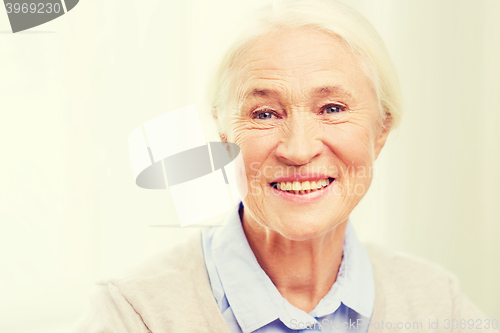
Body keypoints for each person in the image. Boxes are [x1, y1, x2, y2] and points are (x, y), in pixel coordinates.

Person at [73, 0, 498, 332]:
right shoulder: (134, 315)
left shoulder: (439, 303)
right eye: (264, 114)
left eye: (332, 108)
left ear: (381, 129)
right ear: (224, 132)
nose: (297, 150)